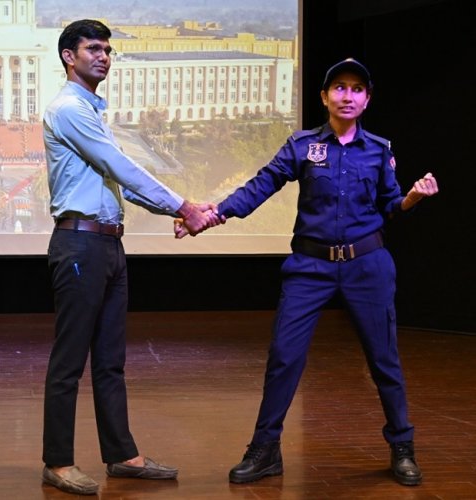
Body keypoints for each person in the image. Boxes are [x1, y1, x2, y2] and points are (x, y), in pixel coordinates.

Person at [176, 57, 438, 487]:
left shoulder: (379, 149)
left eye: (356, 89)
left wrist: (411, 197)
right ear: (324, 97)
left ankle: (402, 447)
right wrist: (214, 214)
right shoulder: (301, 146)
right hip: (310, 266)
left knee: (384, 360)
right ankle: (264, 450)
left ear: (367, 99)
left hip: (366, 265)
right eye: (339, 87)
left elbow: (391, 206)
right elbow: (261, 185)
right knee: (284, 358)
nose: (347, 95)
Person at [41, 19, 219, 495]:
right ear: (68, 56)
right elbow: (120, 167)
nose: (103, 56)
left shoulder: (92, 111)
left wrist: (178, 209)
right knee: (69, 360)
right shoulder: (69, 109)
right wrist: (183, 207)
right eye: (93, 49)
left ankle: (121, 454)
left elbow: (121, 179)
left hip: (107, 244)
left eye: (107, 50)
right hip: (79, 244)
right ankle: (57, 462)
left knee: (110, 360)